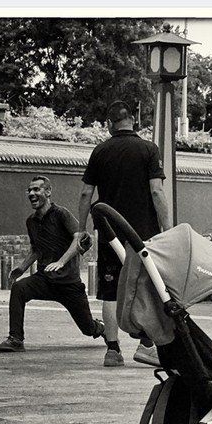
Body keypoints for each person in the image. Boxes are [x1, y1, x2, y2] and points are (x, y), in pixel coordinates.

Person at [76, 100, 171, 368]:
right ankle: (146, 345)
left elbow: (86, 193)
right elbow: (157, 191)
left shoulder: (100, 152)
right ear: (133, 121)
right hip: (143, 236)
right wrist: (167, 228)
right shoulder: (149, 150)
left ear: (109, 124)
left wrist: (81, 229)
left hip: (110, 234)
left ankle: (112, 350)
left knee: (110, 291)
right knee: (146, 288)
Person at [0, 175, 106, 353]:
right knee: (19, 289)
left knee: (87, 329)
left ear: (48, 192)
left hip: (68, 284)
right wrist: (21, 268)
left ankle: (100, 327)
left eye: (36, 189)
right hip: (44, 280)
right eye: (29, 190)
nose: (31, 193)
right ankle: (16, 339)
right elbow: (36, 249)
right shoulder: (31, 221)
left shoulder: (61, 214)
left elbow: (81, 238)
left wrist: (61, 261)